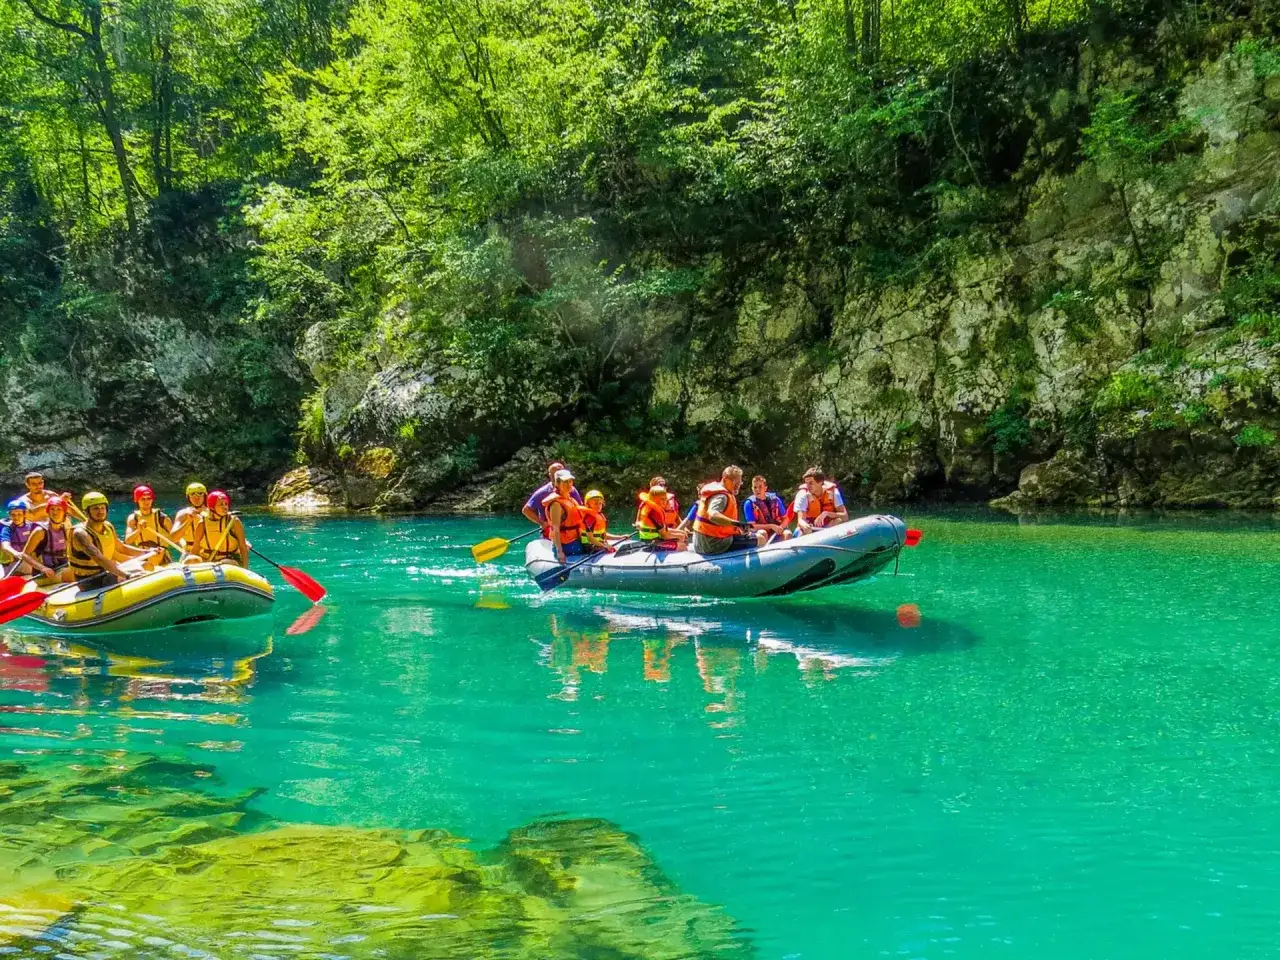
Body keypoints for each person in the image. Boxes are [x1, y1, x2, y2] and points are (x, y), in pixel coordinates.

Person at [69, 492, 155, 586]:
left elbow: (121, 548)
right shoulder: (80, 534)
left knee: (146, 566)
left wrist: (147, 552)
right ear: (87, 512)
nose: (100, 511)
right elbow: (100, 559)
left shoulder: (108, 526)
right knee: (140, 575)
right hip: (90, 580)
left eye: (103, 508)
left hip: (106, 573)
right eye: (95, 508)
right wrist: (127, 575)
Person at [691, 465, 766, 555]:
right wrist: (736, 524)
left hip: (700, 543)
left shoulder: (718, 491)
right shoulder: (721, 496)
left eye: (739, 482)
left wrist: (738, 528)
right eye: (735, 482)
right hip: (714, 544)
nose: (737, 485)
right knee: (761, 539)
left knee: (754, 534)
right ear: (725, 479)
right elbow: (713, 515)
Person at [1, 499, 54, 578]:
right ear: (9, 515)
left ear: (24, 513)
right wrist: (16, 553)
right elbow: (5, 546)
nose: (16, 517)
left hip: (29, 561)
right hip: (15, 563)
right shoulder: (7, 529)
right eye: (13, 514)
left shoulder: (32, 526)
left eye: (19, 514)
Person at [522, 461, 583, 530]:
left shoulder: (571, 489)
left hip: (569, 528)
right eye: (556, 474)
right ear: (550, 476)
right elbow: (526, 510)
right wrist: (542, 523)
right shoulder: (542, 492)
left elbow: (580, 506)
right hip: (550, 530)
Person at [543, 469, 585, 564]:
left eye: (570, 481)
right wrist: (560, 552)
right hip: (567, 545)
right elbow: (555, 529)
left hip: (576, 539)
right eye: (565, 482)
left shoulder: (570, 499)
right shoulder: (556, 504)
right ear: (557, 483)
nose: (569, 484)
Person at [125, 485, 173, 568]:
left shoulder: (162, 518)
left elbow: (175, 537)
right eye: (143, 499)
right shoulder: (133, 519)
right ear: (137, 500)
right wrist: (139, 530)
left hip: (161, 556)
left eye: (148, 498)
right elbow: (128, 541)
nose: (146, 501)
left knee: (156, 556)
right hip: (143, 556)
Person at [634, 477, 687, 550]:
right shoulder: (654, 511)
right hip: (652, 541)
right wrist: (679, 536)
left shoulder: (652, 505)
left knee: (683, 535)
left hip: (657, 533)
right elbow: (664, 535)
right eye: (662, 499)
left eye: (665, 499)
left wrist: (682, 532)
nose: (665, 501)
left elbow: (675, 515)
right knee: (682, 545)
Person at [793, 466, 848, 536]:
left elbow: (845, 517)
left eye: (811, 483)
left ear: (820, 482)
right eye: (806, 483)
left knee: (839, 520)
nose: (808, 486)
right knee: (802, 529)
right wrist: (805, 525)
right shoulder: (803, 494)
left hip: (827, 527)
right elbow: (800, 520)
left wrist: (827, 513)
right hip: (810, 528)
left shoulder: (833, 492)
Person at [33, 495, 75, 583]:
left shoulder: (65, 529)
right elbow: (25, 554)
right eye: (52, 509)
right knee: (74, 573)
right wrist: (42, 568)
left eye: (59, 509)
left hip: (61, 567)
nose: (55, 512)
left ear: (64, 513)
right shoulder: (40, 531)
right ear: (48, 512)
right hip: (43, 574)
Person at [203, 490, 249, 567]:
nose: (225, 507)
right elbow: (196, 547)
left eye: (226, 504)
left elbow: (242, 547)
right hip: (208, 559)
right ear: (212, 507)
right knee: (191, 560)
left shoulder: (234, 521)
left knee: (224, 562)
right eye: (221, 504)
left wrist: (246, 568)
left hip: (231, 559)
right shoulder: (202, 522)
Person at [18, 471, 84, 523]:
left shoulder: (51, 495)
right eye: (34, 484)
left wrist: (85, 520)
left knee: (66, 520)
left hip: (54, 529)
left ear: (43, 482)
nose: (38, 486)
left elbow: (68, 509)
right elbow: (32, 515)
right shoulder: (23, 501)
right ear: (27, 485)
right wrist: (58, 501)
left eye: (40, 483)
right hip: (34, 532)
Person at [744, 475, 791, 542]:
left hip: (777, 529)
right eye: (755, 487)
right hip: (761, 531)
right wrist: (771, 526)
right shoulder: (749, 503)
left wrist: (781, 527)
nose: (757, 489)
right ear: (752, 489)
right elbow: (752, 526)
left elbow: (786, 519)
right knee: (762, 533)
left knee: (788, 534)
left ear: (765, 488)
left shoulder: (775, 499)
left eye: (760, 487)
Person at [170, 482, 209, 557]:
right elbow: (173, 538)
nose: (196, 497)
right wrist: (188, 521)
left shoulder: (211, 513)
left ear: (205, 496)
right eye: (192, 494)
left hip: (208, 552)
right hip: (189, 553)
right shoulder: (182, 514)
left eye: (200, 493)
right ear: (188, 497)